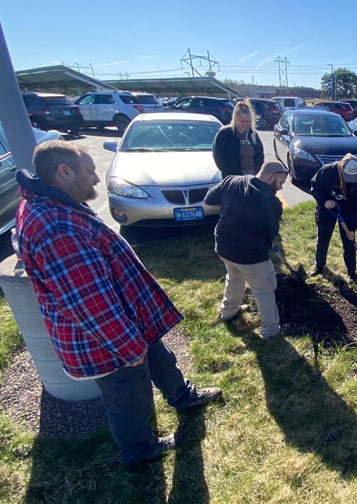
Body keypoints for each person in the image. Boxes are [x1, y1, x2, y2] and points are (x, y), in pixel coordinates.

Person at [15, 141, 221, 467]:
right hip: (109, 339)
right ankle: (139, 450)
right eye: (89, 170)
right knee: (127, 395)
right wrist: (128, 347)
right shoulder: (57, 228)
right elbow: (88, 304)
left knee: (161, 358)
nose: (97, 179)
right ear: (63, 171)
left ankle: (181, 396)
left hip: (127, 320)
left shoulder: (50, 203)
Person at [205, 160, 289, 339]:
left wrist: (233, 209)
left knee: (234, 277)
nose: (281, 188)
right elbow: (271, 233)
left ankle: (228, 312)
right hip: (250, 255)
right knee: (264, 288)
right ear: (269, 177)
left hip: (223, 245)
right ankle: (270, 331)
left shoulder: (232, 181)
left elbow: (209, 200)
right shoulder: (272, 203)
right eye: (280, 182)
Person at [309, 153, 357, 283]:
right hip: (327, 208)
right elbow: (314, 187)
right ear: (341, 168)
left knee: (349, 242)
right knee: (323, 239)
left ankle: (351, 272)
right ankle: (319, 266)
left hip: (348, 210)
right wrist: (324, 201)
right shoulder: (327, 171)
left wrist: (352, 228)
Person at [212, 99, 265, 177]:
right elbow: (218, 157)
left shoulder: (253, 134)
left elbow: (260, 156)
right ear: (235, 118)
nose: (245, 124)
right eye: (243, 121)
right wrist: (228, 173)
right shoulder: (224, 133)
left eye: (248, 122)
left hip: (252, 177)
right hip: (233, 178)